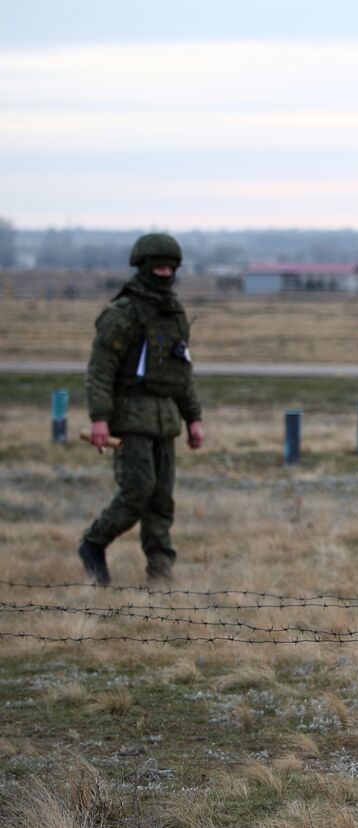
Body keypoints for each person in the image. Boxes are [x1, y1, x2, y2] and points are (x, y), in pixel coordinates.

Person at [78, 233, 204, 587]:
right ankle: (94, 543)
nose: (165, 273)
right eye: (159, 266)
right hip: (129, 418)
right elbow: (100, 370)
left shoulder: (174, 313)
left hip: (165, 419)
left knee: (162, 499)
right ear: (144, 267)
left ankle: (160, 572)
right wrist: (99, 419)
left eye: (170, 267)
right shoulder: (123, 313)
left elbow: (182, 372)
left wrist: (194, 418)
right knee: (138, 491)